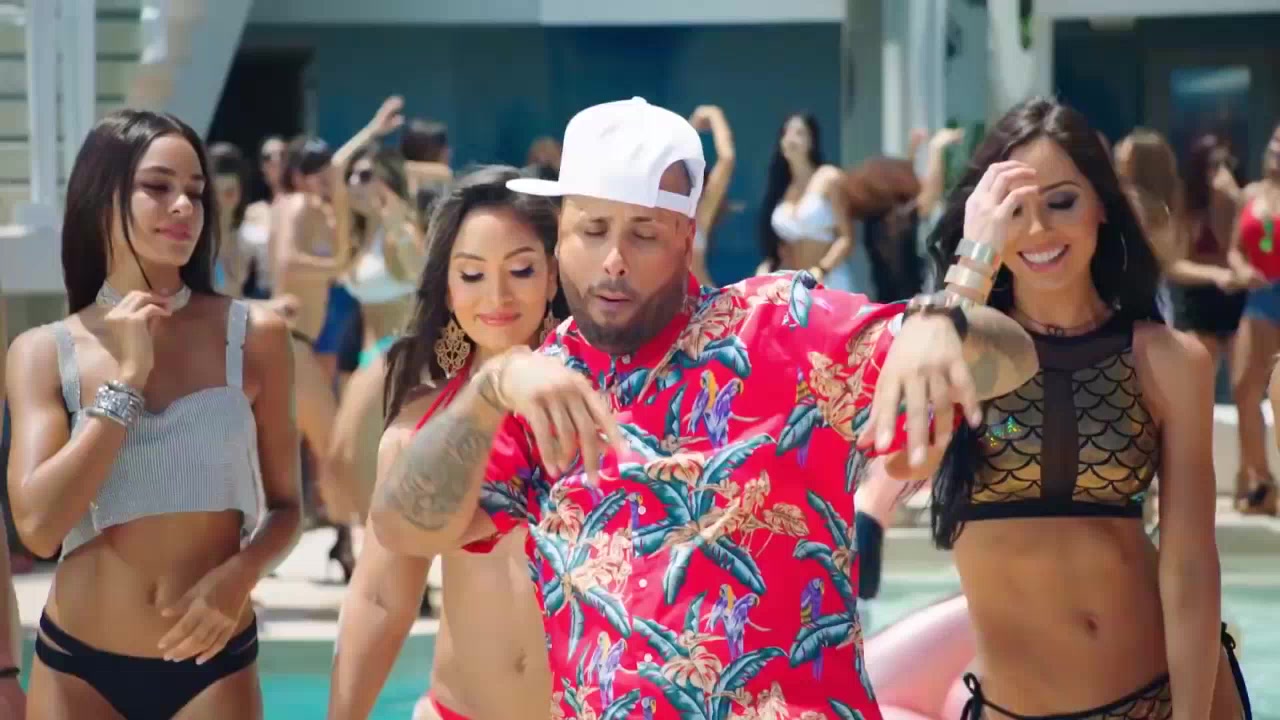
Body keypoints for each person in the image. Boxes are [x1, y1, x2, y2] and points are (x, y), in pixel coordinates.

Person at [367, 96, 1039, 720]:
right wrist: (488, 389)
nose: (613, 261)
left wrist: (946, 315)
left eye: (644, 234)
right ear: (560, 233)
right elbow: (403, 529)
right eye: (593, 229)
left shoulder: (781, 328)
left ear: (687, 238)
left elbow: (1013, 358)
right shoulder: (540, 386)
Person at [879, 97, 1249, 718]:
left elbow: (1189, 565)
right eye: (1013, 209)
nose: (1039, 230)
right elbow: (902, 456)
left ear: (1102, 205)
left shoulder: (1168, 361)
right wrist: (972, 264)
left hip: (1157, 700)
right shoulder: (949, 345)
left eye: (1062, 201)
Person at [4, 109, 302, 718]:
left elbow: (288, 508)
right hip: (78, 668)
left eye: (195, 191)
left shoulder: (255, 335)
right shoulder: (43, 351)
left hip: (212, 664)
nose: (184, 206)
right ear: (102, 198)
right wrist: (126, 380)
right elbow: (38, 527)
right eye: (158, 187)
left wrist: (240, 576)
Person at [330, 166, 560, 720]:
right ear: (449, 287)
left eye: (521, 270)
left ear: (554, 276)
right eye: (472, 274)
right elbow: (380, 598)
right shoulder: (418, 426)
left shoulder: (611, 400)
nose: (497, 295)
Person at [1225, 122, 1280, 515]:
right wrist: (1241, 270)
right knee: (1244, 388)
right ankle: (1261, 482)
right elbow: (1234, 249)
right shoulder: (1250, 194)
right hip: (1259, 294)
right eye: (1276, 138)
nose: (1278, 146)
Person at [756, 112, 860, 291]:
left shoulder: (828, 177)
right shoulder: (781, 187)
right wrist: (770, 265)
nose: (791, 139)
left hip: (828, 280)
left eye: (799, 133)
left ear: (812, 141)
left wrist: (821, 269)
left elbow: (846, 238)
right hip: (794, 285)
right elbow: (781, 246)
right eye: (786, 133)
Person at [688, 104, 736, 286]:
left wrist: (714, 114)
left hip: (702, 298)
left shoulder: (699, 213)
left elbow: (727, 159)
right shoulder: (653, 205)